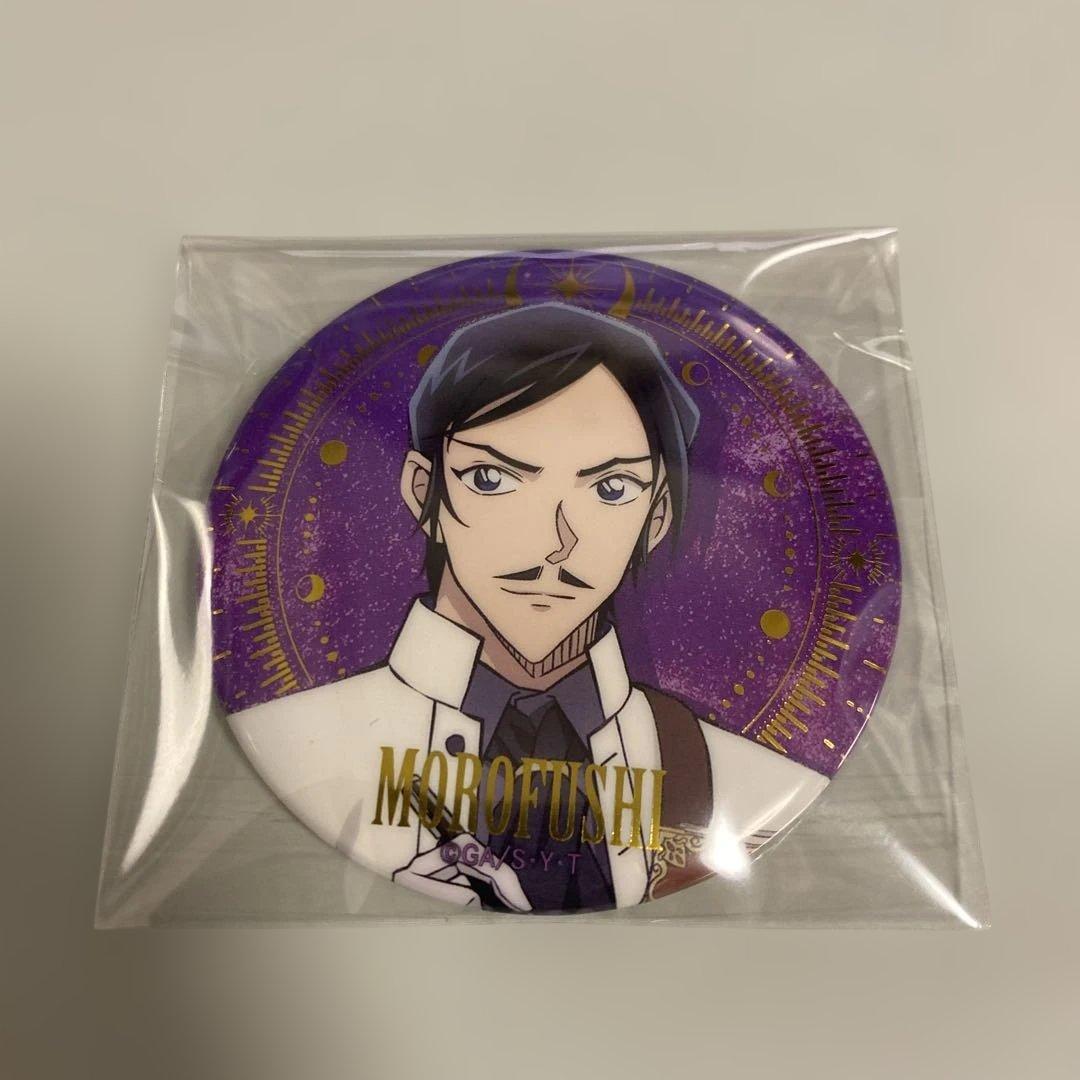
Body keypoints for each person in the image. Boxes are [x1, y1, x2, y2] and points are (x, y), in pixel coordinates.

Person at [230, 303, 825, 913]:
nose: (554, 540)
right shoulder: (300, 740)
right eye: (491, 479)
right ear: (424, 492)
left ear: (656, 518)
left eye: (611, 489)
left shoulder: (736, 781)